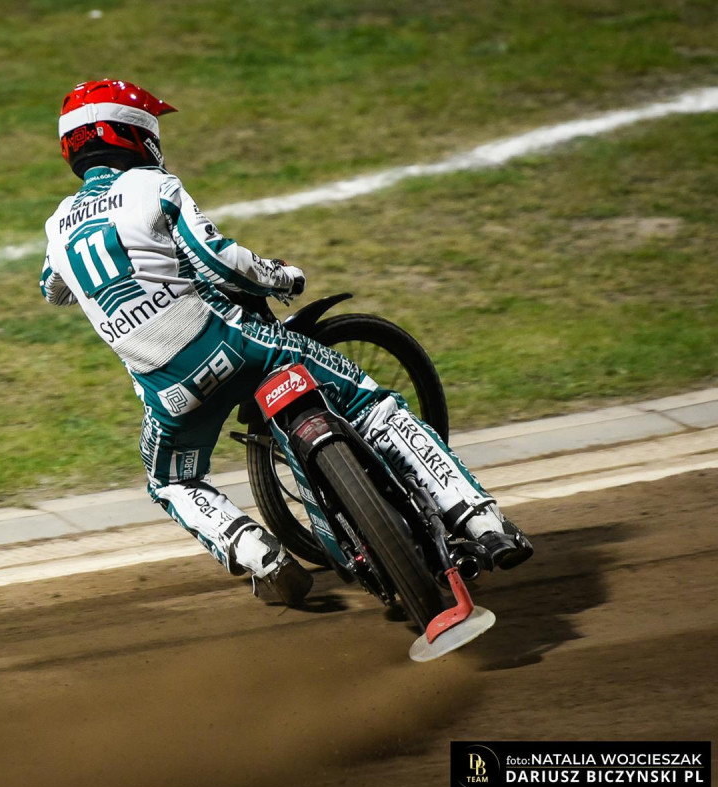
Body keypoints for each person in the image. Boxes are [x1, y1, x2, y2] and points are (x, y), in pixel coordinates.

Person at [41, 79, 532, 607]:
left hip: (168, 392)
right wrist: (280, 277)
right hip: (236, 344)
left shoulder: (57, 224)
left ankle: (264, 559)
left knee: (170, 483)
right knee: (372, 404)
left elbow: (52, 289)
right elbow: (218, 261)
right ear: (133, 134)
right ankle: (483, 521)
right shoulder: (155, 186)